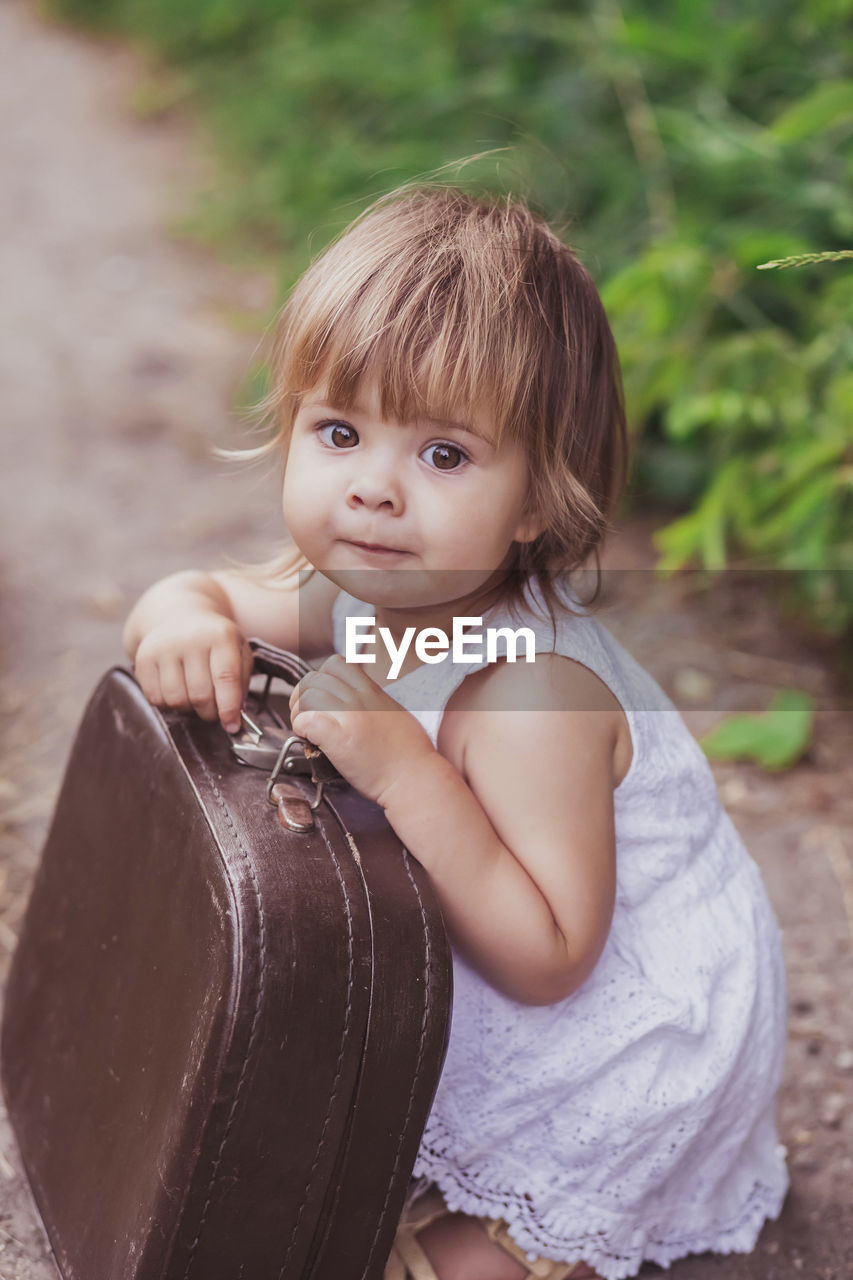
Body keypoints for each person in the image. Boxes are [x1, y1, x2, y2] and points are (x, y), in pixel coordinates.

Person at [123, 187, 788, 1280]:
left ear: (537, 497)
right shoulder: (363, 587)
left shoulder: (532, 699)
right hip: (491, 912)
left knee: (451, 1256)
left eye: (444, 456)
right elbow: (198, 589)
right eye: (340, 432)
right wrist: (181, 618)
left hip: (628, 1036)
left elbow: (551, 960)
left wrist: (407, 771)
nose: (375, 490)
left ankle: (527, 1224)